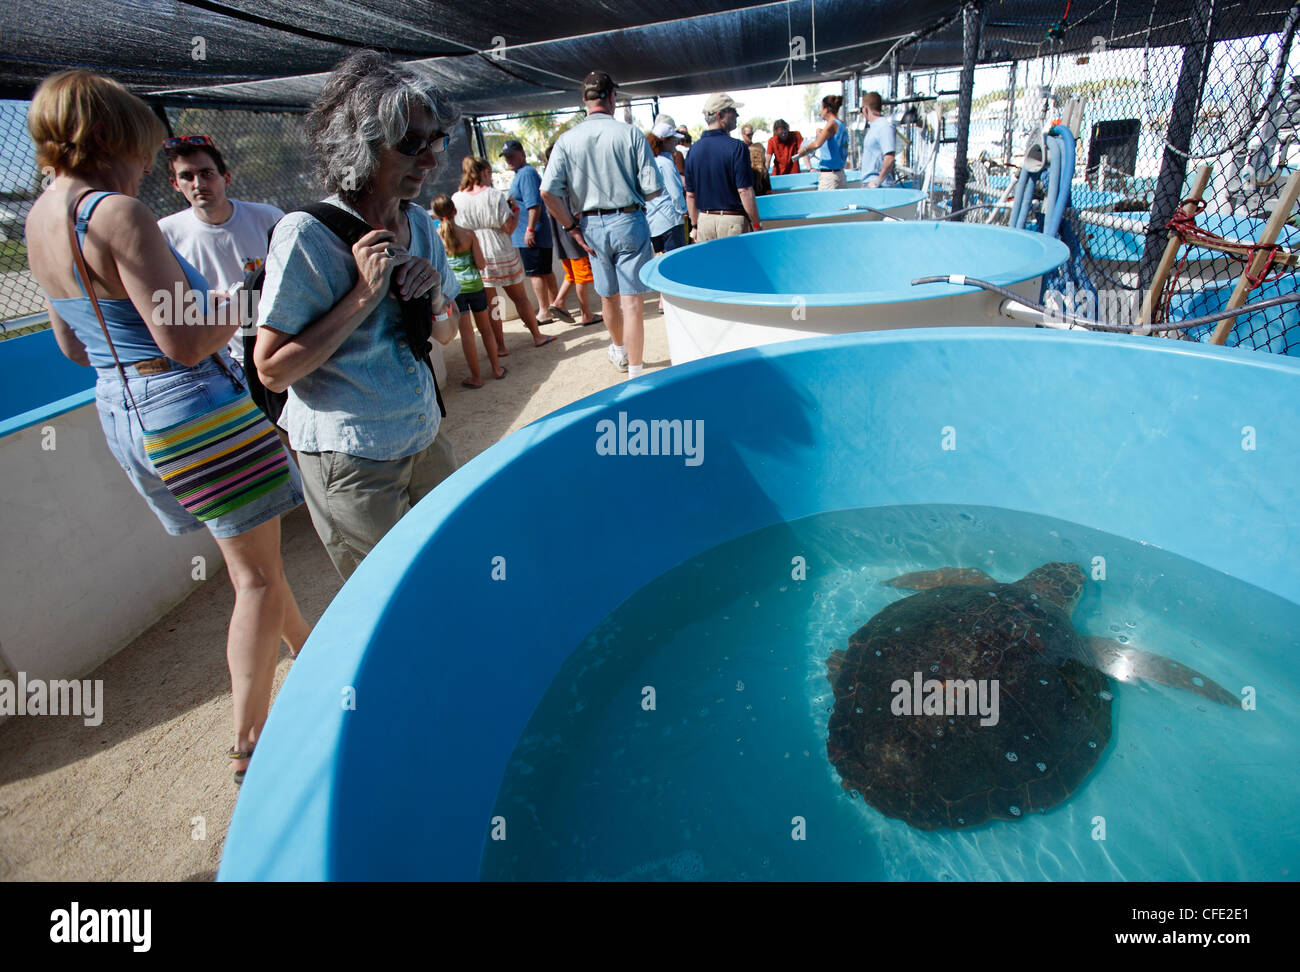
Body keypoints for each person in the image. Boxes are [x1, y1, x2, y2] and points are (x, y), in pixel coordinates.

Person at [24, 70, 310, 786]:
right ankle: (251, 745)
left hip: (122, 409)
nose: (149, 165)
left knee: (256, 568)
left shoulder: (38, 219)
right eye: (145, 148)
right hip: (190, 408)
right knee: (253, 581)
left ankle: (310, 649)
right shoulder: (116, 213)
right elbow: (185, 340)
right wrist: (242, 300)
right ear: (113, 137)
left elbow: (71, 346)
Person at [254, 51, 463, 581]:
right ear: (361, 145)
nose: (430, 161)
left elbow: (446, 332)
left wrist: (433, 294)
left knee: (444, 568)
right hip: (353, 459)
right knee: (386, 593)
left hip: (422, 435)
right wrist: (362, 298)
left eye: (433, 141)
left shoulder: (417, 223)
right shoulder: (307, 236)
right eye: (410, 144)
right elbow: (273, 369)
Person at [540, 70, 663, 379]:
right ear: (612, 98)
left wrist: (571, 227)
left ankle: (619, 351)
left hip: (589, 226)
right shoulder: (631, 134)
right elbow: (653, 188)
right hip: (629, 220)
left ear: (584, 101)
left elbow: (547, 191)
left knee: (608, 297)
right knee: (633, 301)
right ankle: (636, 371)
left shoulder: (566, 141)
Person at [157, 135, 282, 366]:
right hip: (225, 364)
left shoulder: (269, 218)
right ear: (175, 184)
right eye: (187, 176)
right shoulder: (165, 234)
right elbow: (167, 306)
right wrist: (212, 299)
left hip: (282, 349)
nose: (198, 184)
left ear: (226, 178)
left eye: (207, 173)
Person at [452, 157, 555, 354]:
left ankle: (500, 347)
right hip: (500, 249)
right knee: (520, 298)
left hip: (476, 253)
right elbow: (508, 227)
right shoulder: (493, 195)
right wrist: (515, 211)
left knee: (492, 304)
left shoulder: (457, 198)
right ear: (484, 172)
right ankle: (537, 335)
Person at [431, 194, 507, 387]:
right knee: (486, 330)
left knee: (467, 335)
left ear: (436, 215)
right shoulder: (469, 234)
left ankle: (476, 377)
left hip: (455, 291)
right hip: (476, 286)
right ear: (455, 211)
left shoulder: (436, 237)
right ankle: (497, 369)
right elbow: (481, 264)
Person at [501, 139, 569, 324]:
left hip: (531, 234)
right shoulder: (522, 174)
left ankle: (545, 311)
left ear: (522, 154)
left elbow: (534, 205)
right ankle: (556, 305)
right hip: (531, 233)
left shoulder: (526, 173)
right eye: (506, 157)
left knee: (535, 273)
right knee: (543, 271)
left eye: (512, 156)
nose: (509, 160)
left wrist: (530, 229)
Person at [683, 92, 763, 242]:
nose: (737, 115)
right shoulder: (737, 147)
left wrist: (695, 225)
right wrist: (756, 223)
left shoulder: (693, 150)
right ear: (720, 115)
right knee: (735, 266)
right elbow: (744, 191)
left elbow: (690, 195)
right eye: (733, 111)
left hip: (704, 221)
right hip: (732, 222)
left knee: (709, 266)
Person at [544, 140, 601, 327]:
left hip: (561, 239)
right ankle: (586, 313)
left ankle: (558, 302)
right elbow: (574, 211)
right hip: (572, 237)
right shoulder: (564, 181)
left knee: (573, 274)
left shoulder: (549, 180)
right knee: (582, 276)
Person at [646, 122, 687, 253]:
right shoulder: (666, 163)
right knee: (677, 264)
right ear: (664, 141)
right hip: (670, 223)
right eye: (673, 139)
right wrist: (683, 211)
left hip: (653, 223)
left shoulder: (649, 161)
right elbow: (675, 193)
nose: (676, 142)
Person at [796, 95, 849, 190]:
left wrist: (803, 150)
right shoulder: (840, 123)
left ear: (827, 109)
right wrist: (821, 133)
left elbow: (817, 144)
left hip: (829, 177)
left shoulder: (831, 124)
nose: (820, 113)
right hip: (840, 174)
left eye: (821, 108)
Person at [861, 91, 898, 188]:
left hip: (880, 188)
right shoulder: (874, 127)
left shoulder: (884, 127)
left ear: (865, 109)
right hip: (869, 185)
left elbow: (889, 158)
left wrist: (877, 182)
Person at [740, 123, 771, 195]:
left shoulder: (757, 147)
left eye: (752, 134)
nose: (750, 137)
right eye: (748, 135)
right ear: (742, 134)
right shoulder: (740, 149)